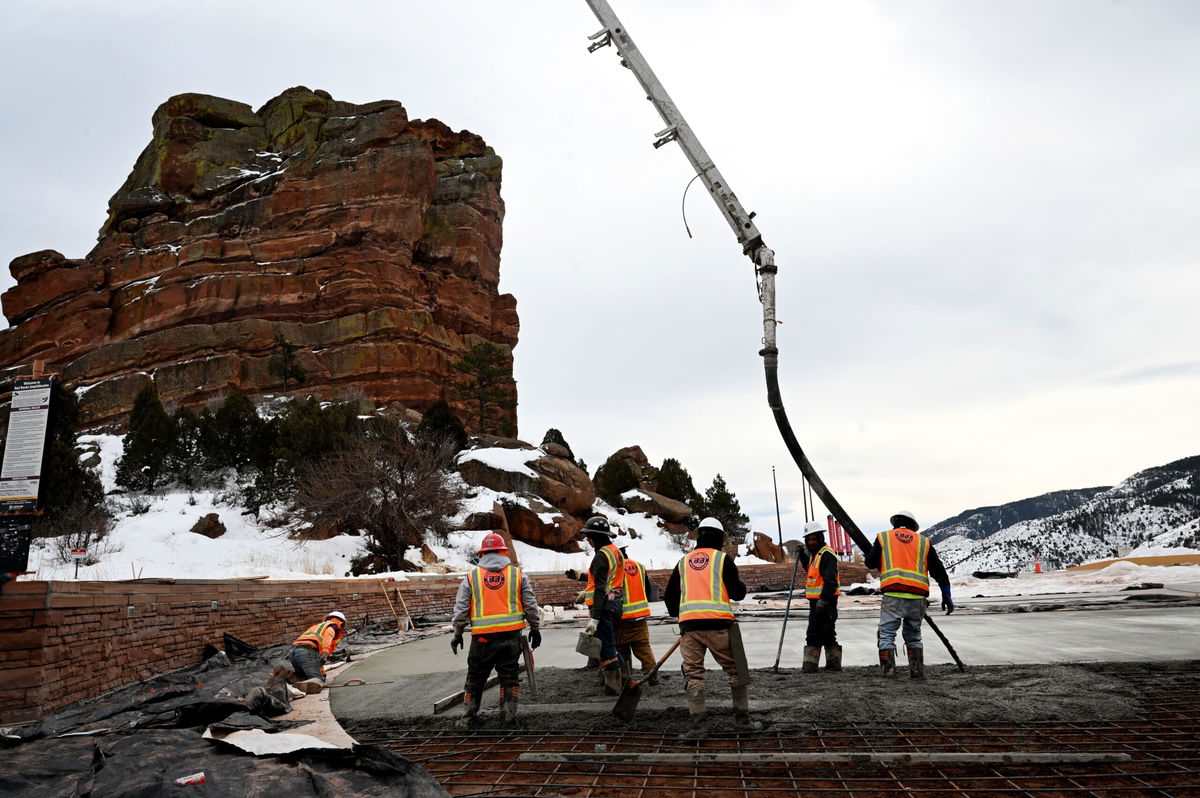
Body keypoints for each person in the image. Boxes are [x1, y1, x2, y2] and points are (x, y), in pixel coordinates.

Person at [664, 517, 762, 735]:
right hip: (719, 626)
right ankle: (742, 722)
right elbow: (737, 592)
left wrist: (681, 615)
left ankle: (698, 727)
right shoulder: (722, 560)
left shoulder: (683, 562)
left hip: (690, 628)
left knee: (693, 675)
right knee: (735, 671)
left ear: (699, 536)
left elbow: (670, 596)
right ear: (719, 538)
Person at [450, 532, 541, 728]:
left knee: (475, 678)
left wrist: (457, 633)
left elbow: (461, 609)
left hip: (482, 639)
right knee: (509, 677)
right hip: (510, 637)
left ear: (483, 553)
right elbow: (531, 605)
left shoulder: (472, 576)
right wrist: (535, 627)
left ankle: (467, 721)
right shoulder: (517, 574)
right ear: (503, 551)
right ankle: (508, 719)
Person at [864, 510, 954, 679]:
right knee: (914, 636)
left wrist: (868, 555)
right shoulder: (923, 542)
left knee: (887, 635)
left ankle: (888, 673)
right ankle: (917, 672)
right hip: (917, 597)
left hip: (893, 594)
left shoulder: (884, 538)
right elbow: (938, 570)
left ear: (895, 523)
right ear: (914, 526)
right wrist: (946, 594)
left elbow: (870, 562)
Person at [580, 516, 626, 694]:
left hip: (604, 608)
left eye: (588, 536)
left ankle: (614, 689)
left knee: (607, 650)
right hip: (615, 604)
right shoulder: (615, 551)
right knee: (611, 645)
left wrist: (595, 618)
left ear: (595, 536)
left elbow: (600, 588)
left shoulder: (601, 556)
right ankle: (625, 678)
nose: (587, 540)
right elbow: (608, 581)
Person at [802, 520, 841, 673]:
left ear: (820, 538)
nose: (811, 543)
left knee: (825, 632)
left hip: (826, 601)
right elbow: (813, 573)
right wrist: (802, 557)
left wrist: (823, 600)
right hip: (816, 601)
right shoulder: (815, 555)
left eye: (814, 539)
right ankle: (815, 666)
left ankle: (827, 665)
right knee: (817, 632)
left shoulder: (826, 554)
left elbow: (830, 580)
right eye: (809, 540)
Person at [616, 545, 657, 683]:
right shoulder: (639, 566)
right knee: (643, 646)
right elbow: (648, 589)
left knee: (620, 647)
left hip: (622, 617)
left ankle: (624, 677)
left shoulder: (615, 569)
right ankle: (652, 676)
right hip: (640, 615)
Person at [287, 610, 346, 691]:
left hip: (293, 652)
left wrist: (322, 672)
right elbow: (327, 637)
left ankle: (286, 677)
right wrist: (325, 653)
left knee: (304, 679)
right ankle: (293, 682)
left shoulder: (317, 626)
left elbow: (317, 658)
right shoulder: (333, 627)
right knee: (317, 682)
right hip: (306, 651)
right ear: (341, 622)